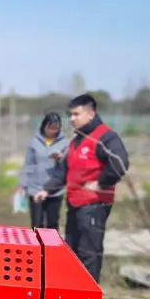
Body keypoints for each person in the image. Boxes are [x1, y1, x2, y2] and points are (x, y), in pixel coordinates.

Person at [35, 94, 129, 281]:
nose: (72, 119)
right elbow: (64, 170)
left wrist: (101, 183)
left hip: (94, 204)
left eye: (76, 114)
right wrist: (47, 189)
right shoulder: (76, 141)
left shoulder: (105, 137)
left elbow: (120, 163)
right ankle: (73, 290)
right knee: (72, 249)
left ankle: (88, 293)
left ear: (91, 114)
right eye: (70, 115)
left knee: (89, 251)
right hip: (74, 203)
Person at [19, 112, 68, 229]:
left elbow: (68, 164)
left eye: (56, 128)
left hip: (55, 190)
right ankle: (37, 246)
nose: (53, 131)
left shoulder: (65, 143)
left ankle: (51, 247)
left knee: (52, 223)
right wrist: (23, 184)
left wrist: (61, 158)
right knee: (37, 223)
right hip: (36, 188)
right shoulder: (34, 143)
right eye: (50, 128)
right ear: (44, 126)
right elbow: (28, 165)